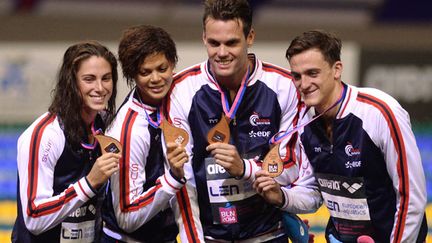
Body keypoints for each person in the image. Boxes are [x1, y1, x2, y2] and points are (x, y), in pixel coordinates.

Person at [254, 30, 428, 242]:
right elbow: (314, 193)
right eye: (297, 76)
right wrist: (282, 197)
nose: (304, 84)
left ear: (337, 69)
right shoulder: (303, 123)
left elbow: (412, 197)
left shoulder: (380, 112)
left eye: (313, 73)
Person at [166, 0, 303, 241]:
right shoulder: (182, 89)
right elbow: (182, 177)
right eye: (213, 43)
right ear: (203, 38)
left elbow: (291, 167)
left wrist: (244, 169)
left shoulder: (284, 87)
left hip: (269, 234)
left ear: (250, 37)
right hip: (210, 237)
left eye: (231, 43)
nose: (221, 53)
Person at [12, 41, 120, 242]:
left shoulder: (108, 126)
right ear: (71, 82)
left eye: (106, 78)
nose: (100, 88)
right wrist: (89, 183)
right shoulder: (45, 136)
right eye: (89, 79)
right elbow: (34, 219)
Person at [101, 25, 189, 242]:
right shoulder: (130, 130)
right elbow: (126, 217)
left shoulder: (180, 93)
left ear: (173, 64)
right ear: (132, 74)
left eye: (162, 68)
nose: (156, 79)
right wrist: (173, 179)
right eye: (145, 72)